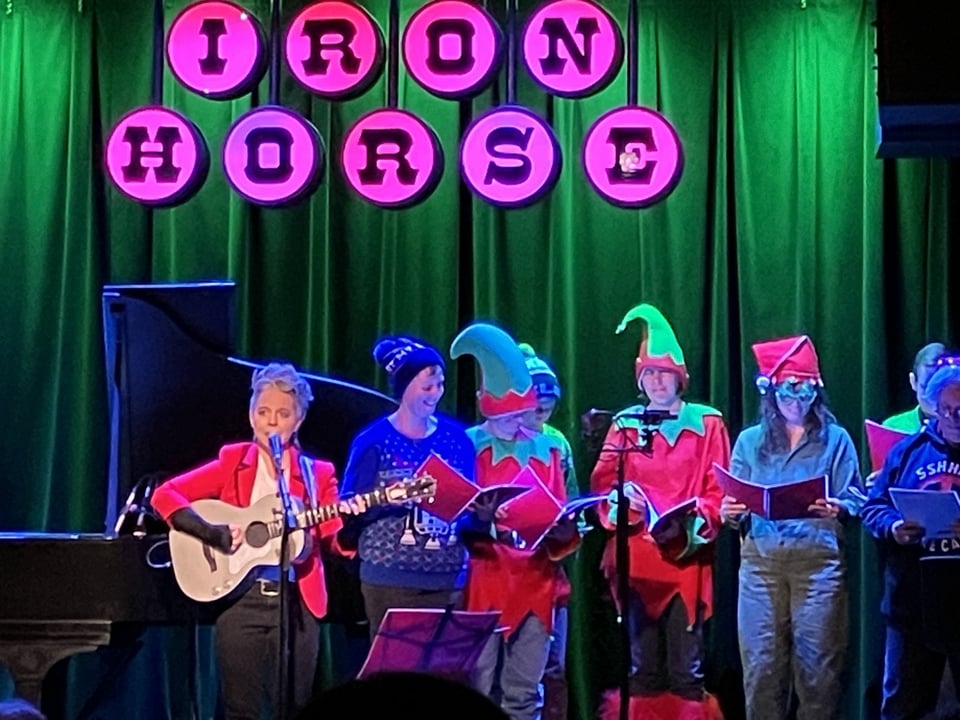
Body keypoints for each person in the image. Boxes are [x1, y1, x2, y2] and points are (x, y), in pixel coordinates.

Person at [152, 362, 350, 720]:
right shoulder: (233, 461)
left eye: (283, 413)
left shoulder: (317, 474)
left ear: (298, 420)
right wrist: (210, 533)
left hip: (297, 604)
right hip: (240, 599)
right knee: (240, 710)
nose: (272, 421)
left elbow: (335, 538)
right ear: (251, 415)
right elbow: (165, 495)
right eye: (263, 411)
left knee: (295, 708)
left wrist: (358, 519)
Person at [590, 304, 729, 720]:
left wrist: (689, 522)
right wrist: (621, 504)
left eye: (663, 373)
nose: (656, 381)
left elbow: (718, 489)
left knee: (687, 669)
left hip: (684, 564)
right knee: (642, 669)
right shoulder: (624, 423)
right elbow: (602, 486)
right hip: (637, 563)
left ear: (679, 377)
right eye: (648, 373)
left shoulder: (707, 425)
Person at [720, 335, 864, 720]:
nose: (797, 403)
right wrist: (731, 509)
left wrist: (840, 506)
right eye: (788, 394)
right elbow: (732, 506)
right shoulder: (750, 442)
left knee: (818, 672)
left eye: (805, 395)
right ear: (771, 394)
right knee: (762, 671)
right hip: (760, 568)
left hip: (817, 568)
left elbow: (857, 496)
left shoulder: (836, 440)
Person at [451, 323, 580, 720]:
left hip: (537, 581)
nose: (518, 425)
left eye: (522, 414)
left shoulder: (550, 447)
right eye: (508, 417)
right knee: (481, 687)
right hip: (485, 580)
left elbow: (567, 508)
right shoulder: (470, 444)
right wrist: (482, 519)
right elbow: (452, 512)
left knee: (525, 692)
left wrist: (563, 529)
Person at [337, 335, 476, 639]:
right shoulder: (373, 440)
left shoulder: (457, 438)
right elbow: (347, 507)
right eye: (427, 387)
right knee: (394, 673)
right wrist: (384, 500)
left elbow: (470, 500)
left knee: (444, 673)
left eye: (439, 385)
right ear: (404, 387)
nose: (435, 394)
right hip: (390, 579)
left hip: (448, 578)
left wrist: (482, 512)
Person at [862, 355, 960, 720]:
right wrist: (893, 527)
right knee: (903, 707)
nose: (954, 418)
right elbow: (874, 507)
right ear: (934, 409)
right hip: (912, 606)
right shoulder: (907, 452)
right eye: (947, 409)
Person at [518, 342, 578, 720]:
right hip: (506, 572)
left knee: (553, 666)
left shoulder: (557, 442)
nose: (542, 409)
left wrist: (569, 525)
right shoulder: (489, 439)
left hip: (550, 569)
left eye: (549, 402)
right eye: (535, 400)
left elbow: (571, 501)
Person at [883, 342, 946, 432]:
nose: (933, 398)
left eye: (941, 389)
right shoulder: (893, 427)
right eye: (925, 387)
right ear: (913, 382)